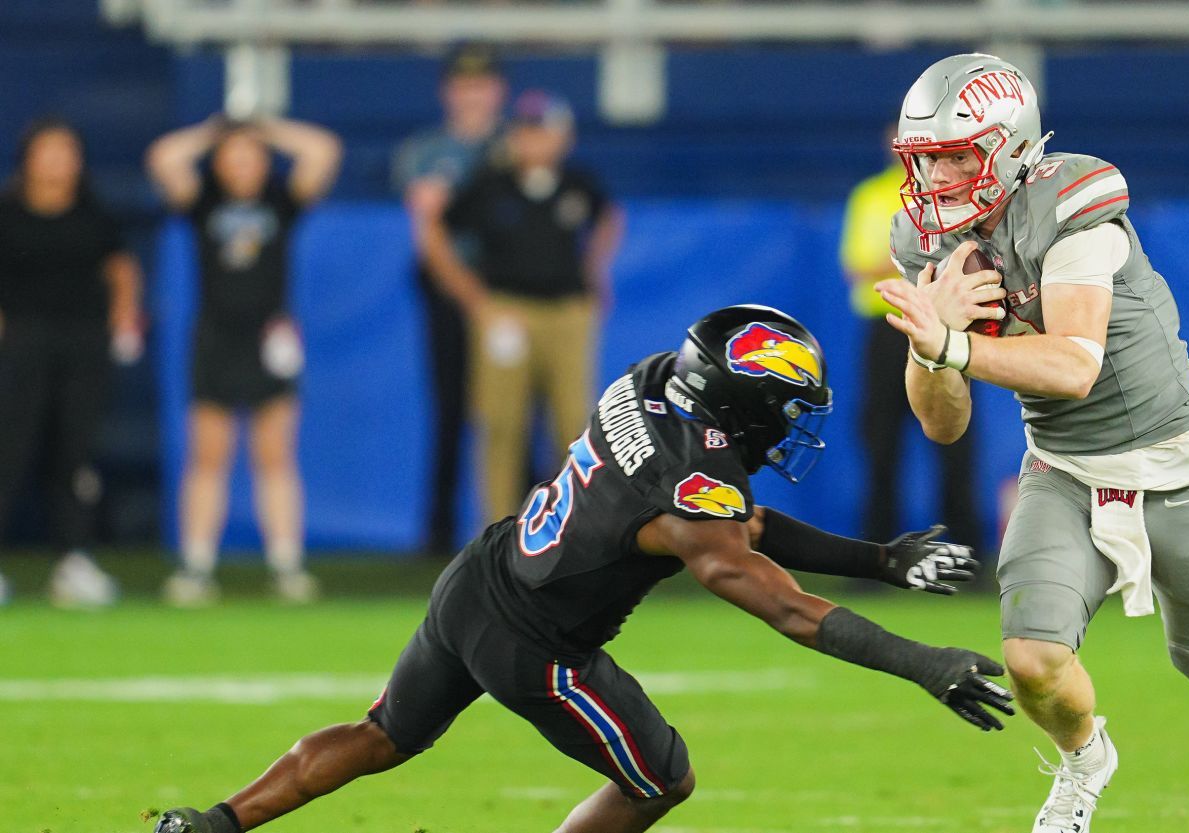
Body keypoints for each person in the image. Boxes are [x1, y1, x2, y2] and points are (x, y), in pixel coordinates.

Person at [149, 305, 1014, 833]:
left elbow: (732, 515)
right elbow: (778, 600)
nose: (789, 425)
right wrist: (924, 662)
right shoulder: (692, 493)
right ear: (739, 402)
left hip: (480, 575)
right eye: (784, 407)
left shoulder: (648, 382)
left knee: (381, 735)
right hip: (539, 646)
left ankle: (212, 823)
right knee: (661, 779)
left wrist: (881, 561)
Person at [876, 55, 1189, 833]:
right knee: (1031, 658)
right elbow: (943, 422)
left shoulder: (1071, 202)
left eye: (958, 154)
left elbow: (1073, 364)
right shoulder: (926, 240)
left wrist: (955, 345)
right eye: (925, 158)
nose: (938, 177)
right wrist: (932, 346)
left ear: (1013, 146)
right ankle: (1085, 758)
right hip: (1064, 470)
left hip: (1176, 466)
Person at [146, 116, 342, 606]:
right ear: (218, 162)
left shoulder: (282, 202)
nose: (242, 164)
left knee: (275, 454)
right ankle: (196, 566)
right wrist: (214, 130)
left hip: (269, 339)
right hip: (215, 338)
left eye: (251, 155)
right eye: (232, 156)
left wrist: (265, 128)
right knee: (207, 455)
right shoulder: (203, 203)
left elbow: (324, 150)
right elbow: (163, 158)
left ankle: (286, 564)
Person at [423, 89, 623, 523]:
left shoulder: (578, 182)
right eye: (525, 133)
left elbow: (610, 217)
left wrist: (594, 269)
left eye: (542, 132)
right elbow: (435, 232)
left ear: (562, 137)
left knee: (574, 424)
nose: (533, 143)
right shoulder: (490, 184)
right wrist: (474, 299)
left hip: (567, 312)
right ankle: (498, 531)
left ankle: (576, 529)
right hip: (507, 310)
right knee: (500, 425)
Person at [0, 117, 144, 608]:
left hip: (82, 345)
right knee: (9, 451)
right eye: (49, 150)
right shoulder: (7, 210)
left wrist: (124, 318)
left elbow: (120, 268)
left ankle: (73, 560)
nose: (59, 161)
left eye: (68, 151)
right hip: (20, 345)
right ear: (28, 157)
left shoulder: (92, 212)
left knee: (75, 455)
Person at [838, 131, 984, 552]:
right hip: (888, 329)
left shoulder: (955, 195)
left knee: (956, 440)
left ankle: (966, 553)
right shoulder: (870, 195)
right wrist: (923, 254)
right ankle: (877, 554)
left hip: (947, 322)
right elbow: (859, 267)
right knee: (881, 444)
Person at [393, 45, 507, 554]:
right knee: (451, 407)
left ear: (497, 91)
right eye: (464, 86)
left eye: (481, 85)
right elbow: (426, 226)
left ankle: (529, 526)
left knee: (511, 411)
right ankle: (438, 534)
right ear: (448, 92)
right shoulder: (424, 151)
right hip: (448, 286)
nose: (473, 96)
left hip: (510, 287)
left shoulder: (514, 146)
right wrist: (464, 290)